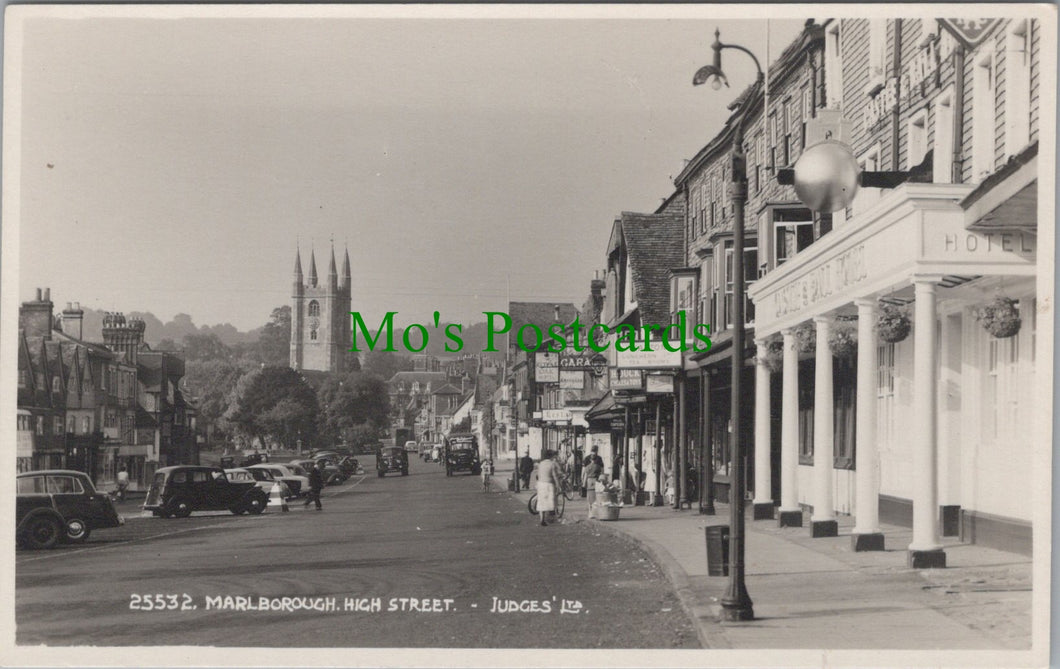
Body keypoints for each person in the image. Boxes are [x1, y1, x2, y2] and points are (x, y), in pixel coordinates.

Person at [536, 450, 562, 526]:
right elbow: (555, 476)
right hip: (549, 484)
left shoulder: (541, 464)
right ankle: (551, 518)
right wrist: (558, 485)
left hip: (541, 484)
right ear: (550, 456)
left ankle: (542, 519)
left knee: (541, 502)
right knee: (551, 501)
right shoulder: (552, 464)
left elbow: (538, 474)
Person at [582, 454, 602, 519]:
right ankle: (596, 513)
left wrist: (584, 484)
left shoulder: (587, 467)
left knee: (589, 498)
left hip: (589, 482)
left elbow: (585, 476)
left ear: (590, 459)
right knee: (596, 498)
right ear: (596, 460)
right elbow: (601, 475)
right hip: (596, 481)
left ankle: (590, 514)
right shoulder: (598, 467)